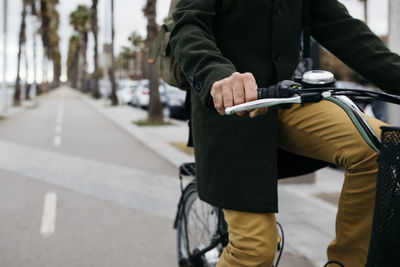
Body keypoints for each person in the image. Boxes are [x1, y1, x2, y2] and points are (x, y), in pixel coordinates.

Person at [169, 1, 400, 266]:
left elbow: (344, 30)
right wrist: (216, 74)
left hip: (284, 99)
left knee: (381, 147)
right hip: (229, 111)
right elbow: (187, 25)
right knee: (254, 249)